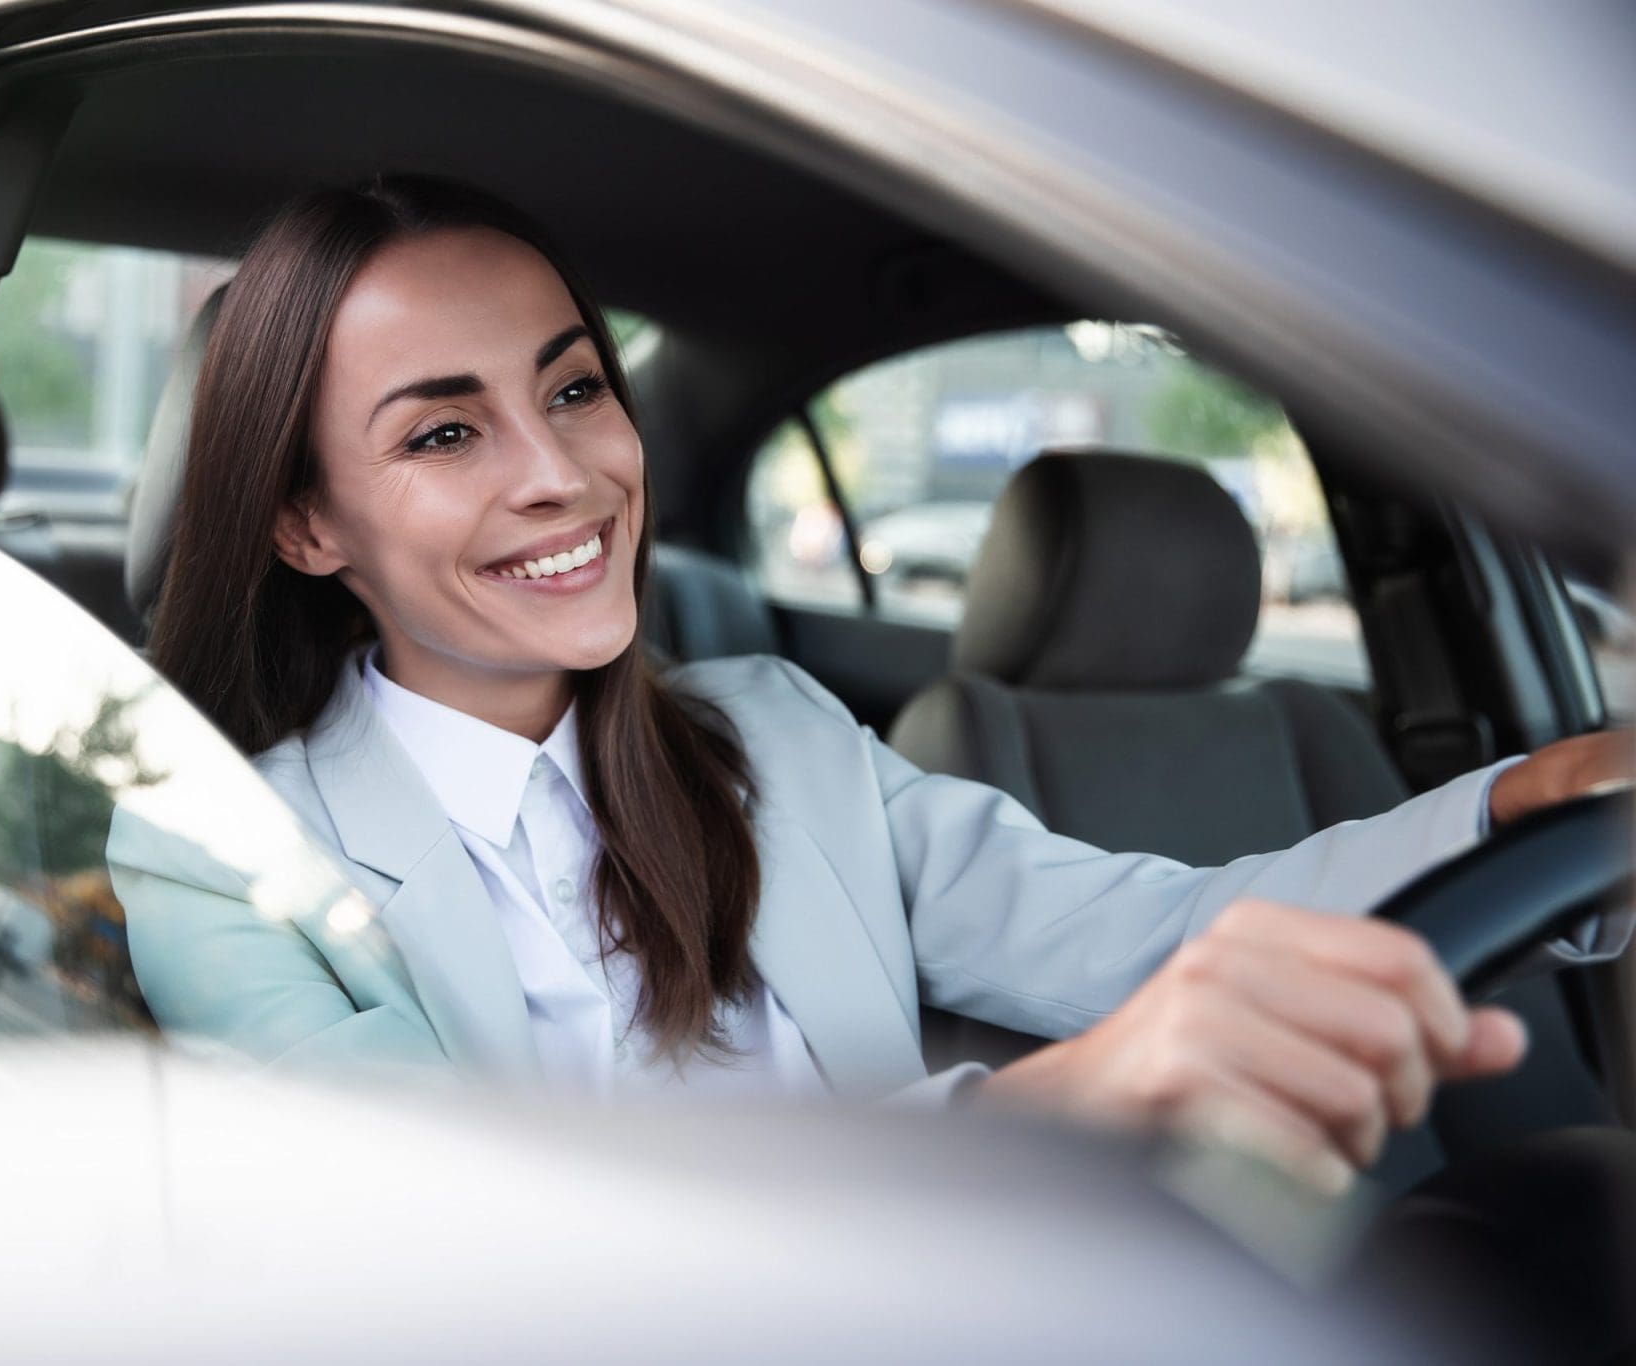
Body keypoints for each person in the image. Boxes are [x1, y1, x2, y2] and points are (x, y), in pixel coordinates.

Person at [113, 176, 1630, 1200]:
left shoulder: (774, 733)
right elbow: (467, 1246)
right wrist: (1046, 1110)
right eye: (445, 435)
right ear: (309, 524)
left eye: (575, 388)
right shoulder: (217, 854)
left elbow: (1155, 936)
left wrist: (1521, 803)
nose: (562, 474)